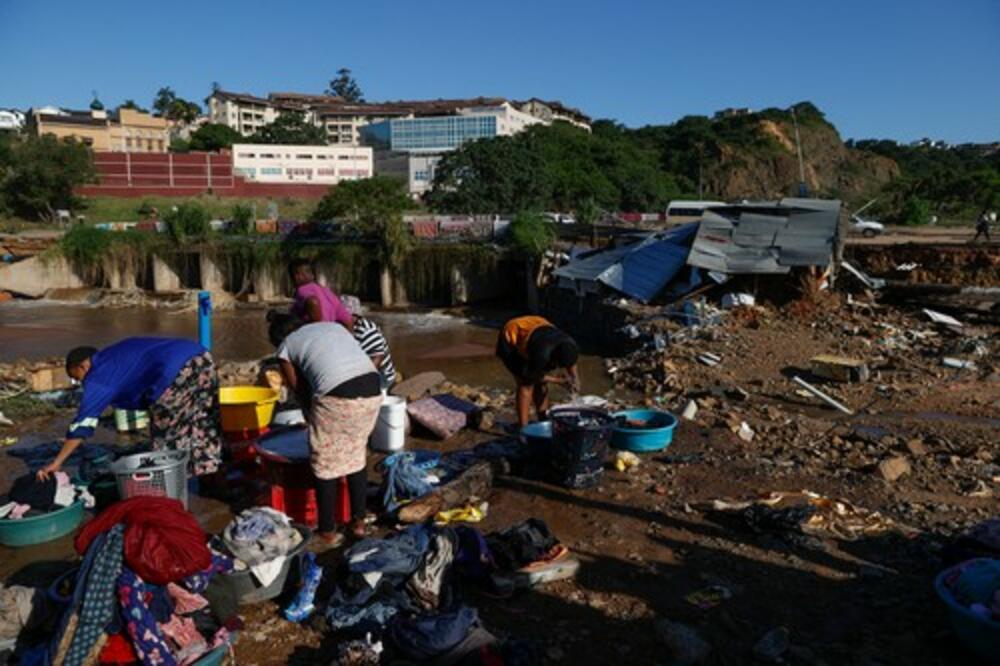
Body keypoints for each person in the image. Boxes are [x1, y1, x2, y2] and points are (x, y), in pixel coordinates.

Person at [268, 314, 382, 548]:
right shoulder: (332, 327)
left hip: (337, 396)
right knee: (356, 454)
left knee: (325, 464)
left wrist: (311, 417)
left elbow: (299, 389)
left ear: (278, 337)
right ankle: (359, 523)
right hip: (373, 390)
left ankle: (328, 531)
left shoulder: (286, 346)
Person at [38, 338, 223, 480]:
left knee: (168, 434)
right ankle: (211, 475)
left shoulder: (98, 376)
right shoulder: (114, 354)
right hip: (200, 358)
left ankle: (171, 487)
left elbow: (83, 423)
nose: (80, 383)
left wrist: (57, 462)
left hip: (174, 371)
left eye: (76, 378)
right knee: (203, 421)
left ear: (83, 366)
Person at [496, 315, 580, 429]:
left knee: (542, 385)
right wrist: (559, 381)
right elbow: (532, 376)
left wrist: (575, 379)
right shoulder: (542, 354)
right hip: (511, 337)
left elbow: (571, 363)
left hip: (537, 325)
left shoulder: (570, 345)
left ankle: (543, 420)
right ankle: (523, 429)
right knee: (526, 385)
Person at [342, 296, 397, 390]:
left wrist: (359, 379)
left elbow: (377, 357)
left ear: (355, 316)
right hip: (359, 368)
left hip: (381, 375)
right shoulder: (345, 328)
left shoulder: (367, 330)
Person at [289, 258, 353, 327]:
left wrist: (318, 326)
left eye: (296, 273)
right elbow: (347, 318)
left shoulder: (302, 289)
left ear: (312, 275)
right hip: (332, 330)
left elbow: (313, 302)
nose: (295, 277)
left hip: (315, 331)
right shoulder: (327, 292)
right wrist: (349, 333)